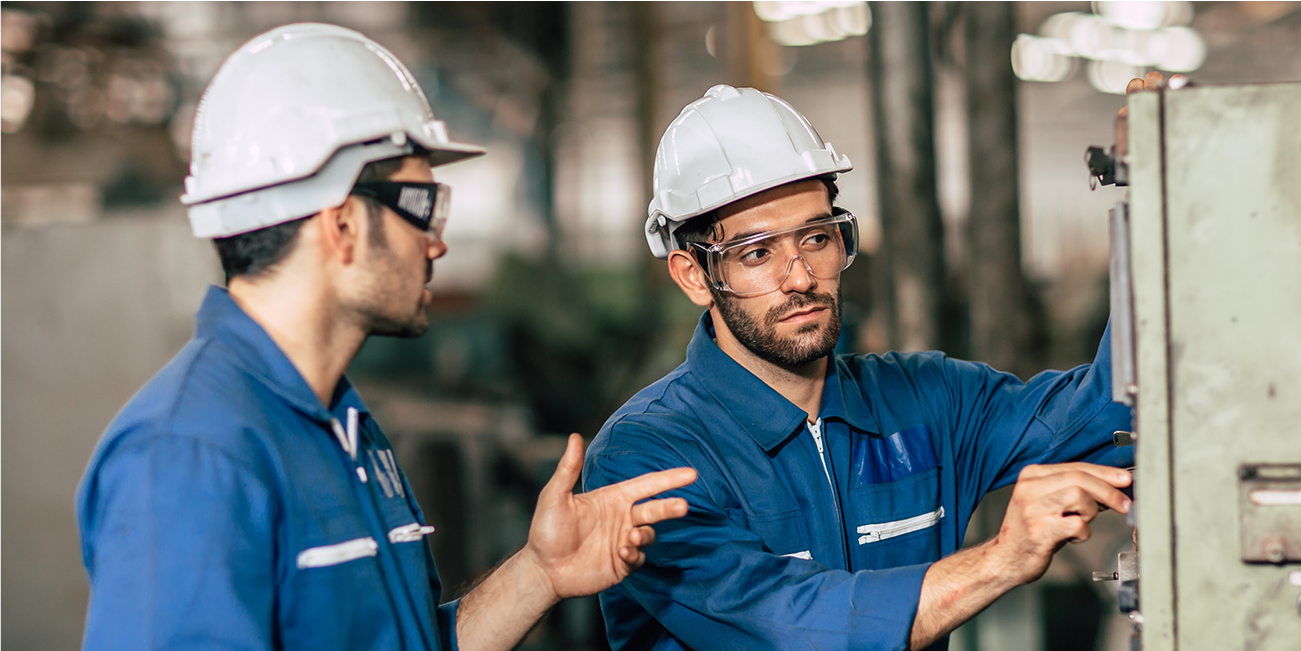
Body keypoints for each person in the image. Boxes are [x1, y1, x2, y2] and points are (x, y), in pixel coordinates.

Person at [75, 23, 696, 651]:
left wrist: (542, 571)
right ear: (342, 223)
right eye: (422, 207)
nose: (438, 242)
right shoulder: (190, 453)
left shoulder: (343, 426)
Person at [581, 84, 1135, 651]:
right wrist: (1000, 561)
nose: (800, 277)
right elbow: (794, 626)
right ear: (693, 275)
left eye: (816, 238)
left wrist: (1164, 189)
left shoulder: (928, 400)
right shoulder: (645, 459)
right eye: (757, 253)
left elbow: (1121, 409)